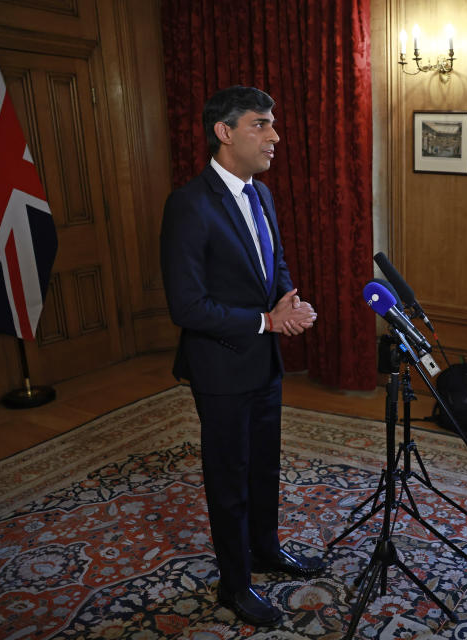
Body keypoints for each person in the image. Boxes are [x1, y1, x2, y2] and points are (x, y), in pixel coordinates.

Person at [160, 85, 326, 627]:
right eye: (261, 124)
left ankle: (267, 550)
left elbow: (270, 270)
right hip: (221, 367)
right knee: (228, 480)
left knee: (264, 468)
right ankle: (236, 585)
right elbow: (187, 305)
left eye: (273, 124)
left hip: (264, 365)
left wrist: (289, 302)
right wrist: (265, 322)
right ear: (225, 132)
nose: (274, 136)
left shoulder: (261, 194)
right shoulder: (187, 204)